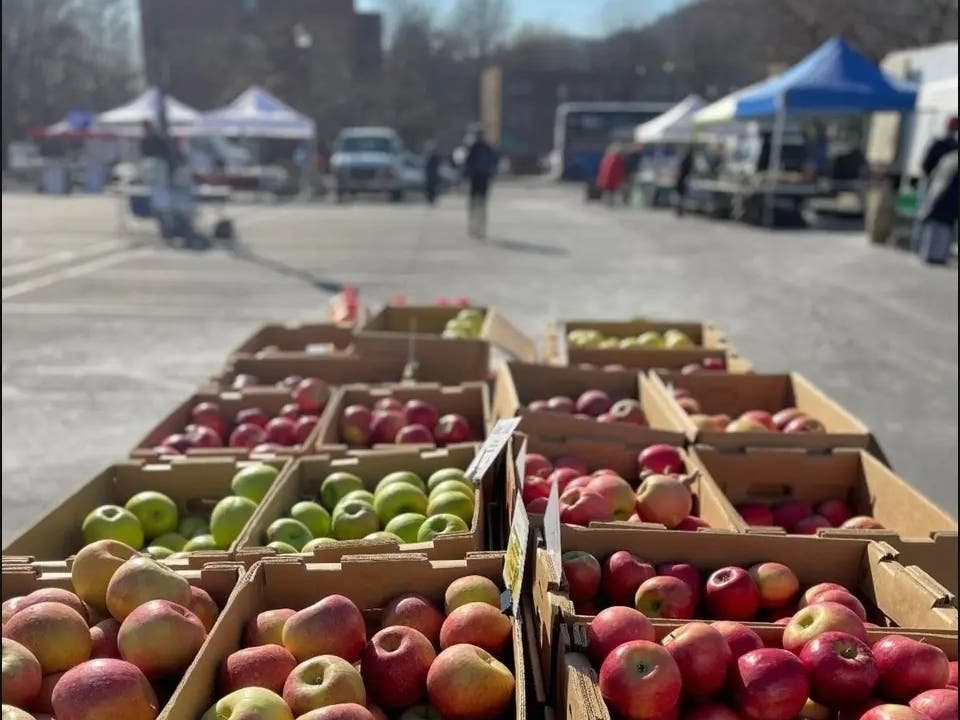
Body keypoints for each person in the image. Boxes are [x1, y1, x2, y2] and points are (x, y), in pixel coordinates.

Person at [917, 146, 958, 264]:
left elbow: (933, 175)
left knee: (934, 227)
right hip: (948, 197)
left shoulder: (948, 158)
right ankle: (937, 256)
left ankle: (928, 254)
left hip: (938, 194)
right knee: (943, 228)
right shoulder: (953, 159)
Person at [463, 128, 498, 239]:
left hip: (477, 179)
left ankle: (475, 228)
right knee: (481, 205)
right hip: (483, 180)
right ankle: (479, 228)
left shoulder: (473, 147)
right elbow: (494, 162)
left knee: (475, 204)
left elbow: (466, 163)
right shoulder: (486, 148)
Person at [922, 116, 959, 181]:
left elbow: (926, 164)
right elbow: (927, 163)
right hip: (938, 179)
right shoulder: (940, 143)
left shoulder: (940, 143)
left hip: (939, 180)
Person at [674, 145, 695, 217]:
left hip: (681, 179)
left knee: (681, 196)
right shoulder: (689, 158)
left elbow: (680, 168)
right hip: (683, 179)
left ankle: (679, 210)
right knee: (682, 196)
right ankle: (680, 210)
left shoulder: (685, 158)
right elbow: (689, 170)